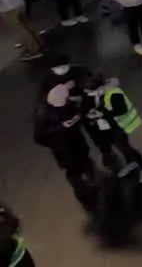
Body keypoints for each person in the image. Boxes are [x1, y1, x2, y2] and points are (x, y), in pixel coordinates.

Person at [34, 81, 98, 209]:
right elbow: (39, 137)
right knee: (73, 171)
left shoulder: (68, 103)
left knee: (87, 162)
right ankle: (82, 192)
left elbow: (77, 112)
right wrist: (60, 128)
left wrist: (79, 117)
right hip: (63, 150)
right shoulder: (43, 114)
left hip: (77, 142)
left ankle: (94, 183)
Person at [83, 73, 142, 181]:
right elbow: (103, 106)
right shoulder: (101, 93)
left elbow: (121, 111)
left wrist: (102, 114)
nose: (89, 94)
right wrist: (97, 112)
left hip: (120, 126)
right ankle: (131, 163)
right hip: (110, 125)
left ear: (99, 87)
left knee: (126, 148)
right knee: (120, 147)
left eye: (90, 92)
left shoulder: (114, 94)